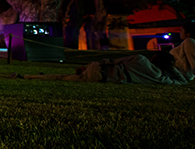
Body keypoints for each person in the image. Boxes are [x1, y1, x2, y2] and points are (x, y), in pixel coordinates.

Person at [17, 50, 190, 85]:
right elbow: (182, 82)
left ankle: (28, 76)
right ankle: (28, 76)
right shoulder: (159, 78)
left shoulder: (140, 59)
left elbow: (112, 60)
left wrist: (86, 66)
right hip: (102, 78)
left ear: (155, 58)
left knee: (62, 77)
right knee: (63, 78)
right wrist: (171, 68)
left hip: (99, 69)